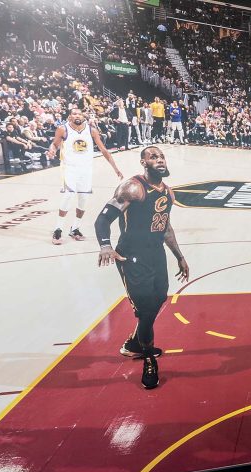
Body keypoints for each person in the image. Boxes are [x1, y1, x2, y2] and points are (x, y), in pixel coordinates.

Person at [94, 146, 189, 390]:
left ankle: (136, 342)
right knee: (146, 311)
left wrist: (179, 255)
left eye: (161, 156)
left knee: (160, 297)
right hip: (131, 257)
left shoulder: (168, 192)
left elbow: (165, 227)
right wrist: (105, 245)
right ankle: (148, 361)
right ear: (143, 162)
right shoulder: (132, 188)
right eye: (153, 157)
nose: (159, 160)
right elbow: (103, 219)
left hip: (156, 254)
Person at [46, 107, 123, 244]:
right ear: (70, 116)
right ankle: (58, 229)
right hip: (69, 168)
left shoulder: (91, 130)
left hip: (86, 169)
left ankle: (75, 228)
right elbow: (55, 144)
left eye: (80, 114)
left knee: (83, 200)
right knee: (69, 194)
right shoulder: (63, 129)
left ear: (84, 117)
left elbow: (103, 150)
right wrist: (51, 151)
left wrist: (115, 168)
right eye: (74, 113)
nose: (77, 116)